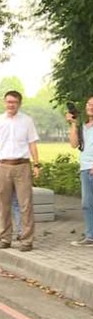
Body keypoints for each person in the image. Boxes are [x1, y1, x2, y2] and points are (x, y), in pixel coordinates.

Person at [0, 90, 40, 252]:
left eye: (14, 102)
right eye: (8, 102)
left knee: (25, 204)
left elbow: (32, 144)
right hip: (3, 166)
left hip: (22, 166)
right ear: (4, 103)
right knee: (3, 204)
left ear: (19, 104)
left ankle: (27, 240)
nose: (11, 105)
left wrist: (37, 164)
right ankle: (5, 237)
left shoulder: (27, 121)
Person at [66, 96, 93, 246]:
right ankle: (90, 236)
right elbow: (74, 144)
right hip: (85, 168)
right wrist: (73, 124)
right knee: (87, 204)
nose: (90, 106)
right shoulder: (83, 126)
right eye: (89, 104)